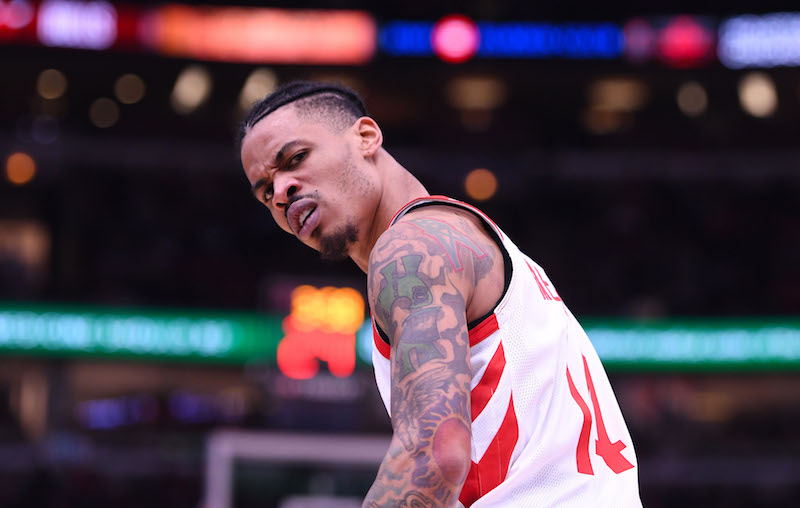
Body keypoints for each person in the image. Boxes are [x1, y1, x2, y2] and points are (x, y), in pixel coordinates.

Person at [238, 81, 642, 507]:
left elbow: (433, 455)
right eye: (265, 191)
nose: (280, 193)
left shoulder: (411, 249)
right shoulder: (462, 241)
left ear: (366, 137)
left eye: (296, 158)